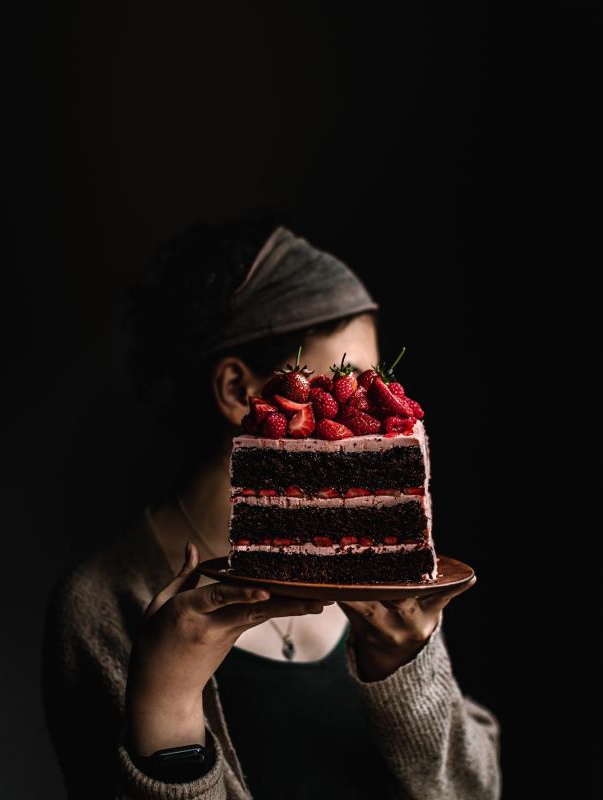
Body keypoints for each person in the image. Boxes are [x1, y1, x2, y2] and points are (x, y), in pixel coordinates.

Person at [41, 218, 501, 799]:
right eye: (347, 386)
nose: (372, 411)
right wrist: (167, 705)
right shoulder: (101, 605)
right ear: (239, 391)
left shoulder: (382, 564)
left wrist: (407, 667)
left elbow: (476, 790)